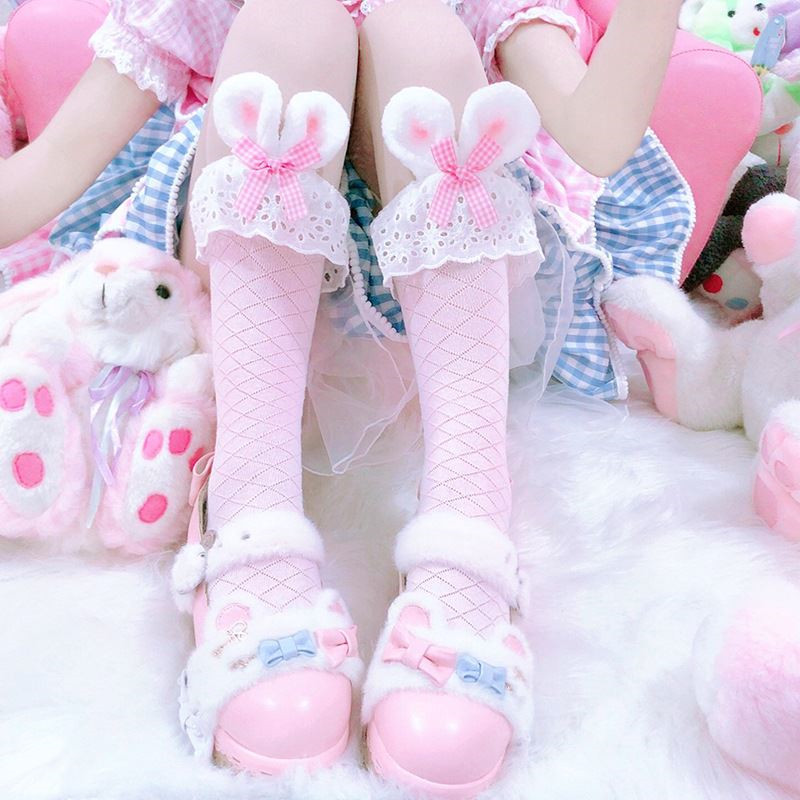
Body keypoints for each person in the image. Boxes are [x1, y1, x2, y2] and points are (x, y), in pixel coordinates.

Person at [0, 0, 688, 795]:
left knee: (418, 28)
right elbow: (54, 166)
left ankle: (468, 520)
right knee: (291, 22)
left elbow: (596, 139)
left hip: (427, 320)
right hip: (244, 299)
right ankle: (249, 511)